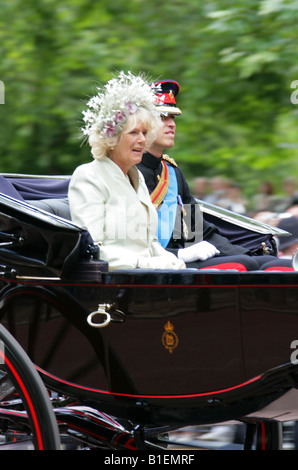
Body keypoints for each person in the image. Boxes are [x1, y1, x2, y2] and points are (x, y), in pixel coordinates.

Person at [137, 79, 294, 272]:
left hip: (180, 258)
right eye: (163, 118)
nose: (172, 125)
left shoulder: (172, 173)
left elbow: (194, 231)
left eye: (173, 118)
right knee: (247, 265)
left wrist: (243, 252)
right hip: (152, 263)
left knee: (265, 263)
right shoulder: (128, 172)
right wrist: (178, 254)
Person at [68, 71, 185, 271]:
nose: (142, 140)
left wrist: (175, 260)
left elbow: (152, 243)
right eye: (133, 133)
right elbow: (92, 248)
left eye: (145, 133)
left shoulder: (136, 176)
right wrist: (146, 263)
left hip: (146, 276)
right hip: (115, 282)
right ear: (111, 138)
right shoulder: (89, 176)